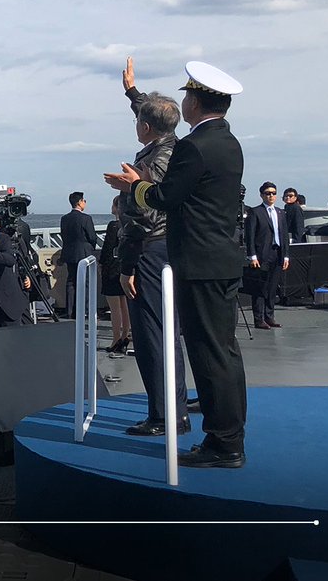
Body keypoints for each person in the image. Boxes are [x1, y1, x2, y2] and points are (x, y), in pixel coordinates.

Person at [105, 61, 247, 469]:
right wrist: (134, 95)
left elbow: (164, 198)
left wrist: (133, 187)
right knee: (224, 352)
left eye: (187, 95)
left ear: (196, 101)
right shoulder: (227, 142)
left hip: (198, 261)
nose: (183, 103)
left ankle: (223, 444)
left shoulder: (193, 147)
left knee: (208, 355)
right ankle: (230, 433)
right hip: (220, 258)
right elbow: (160, 126)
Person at [117, 59, 189, 436]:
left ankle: (165, 415)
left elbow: (145, 213)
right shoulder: (170, 143)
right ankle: (172, 409)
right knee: (166, 332)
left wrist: (127, 265)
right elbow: (154, 116)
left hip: (150, 250)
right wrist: (132, 91)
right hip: (164, 248)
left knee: (151, 335)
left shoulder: (157, 159)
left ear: (145, 128)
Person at [246, 181, 290, 329]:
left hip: (277, 253)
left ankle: (269, 316)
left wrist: (285, 256)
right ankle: (258, 318)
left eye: (273, 193)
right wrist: (252, 255)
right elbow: (250, 235)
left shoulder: (280, 212)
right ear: (261, 195)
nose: (271, 196)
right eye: (268, 193)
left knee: (272, 287)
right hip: (262, 254)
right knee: (260, 287)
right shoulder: (255, 212)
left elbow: (284, 235)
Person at [99, 195, 130, 353]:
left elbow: (107, 249)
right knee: (124, 304)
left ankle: (116, 339)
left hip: (112, 270)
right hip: (124, 268)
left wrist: (101, 263)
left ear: (117, 207)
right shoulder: (128, 224)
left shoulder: (113, 226)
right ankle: (125, 335)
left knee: (114, 307)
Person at [58, 192, 97, 315]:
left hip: (69, 253)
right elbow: (92, 237)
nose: (85, 203)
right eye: (84, 200)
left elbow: (64, 236)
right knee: (84, 282)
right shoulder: (86, 218)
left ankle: (70, 310)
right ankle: (84, 310)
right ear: (79, 202)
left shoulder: (64, 219)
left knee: (70, 282)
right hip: (84, 253)